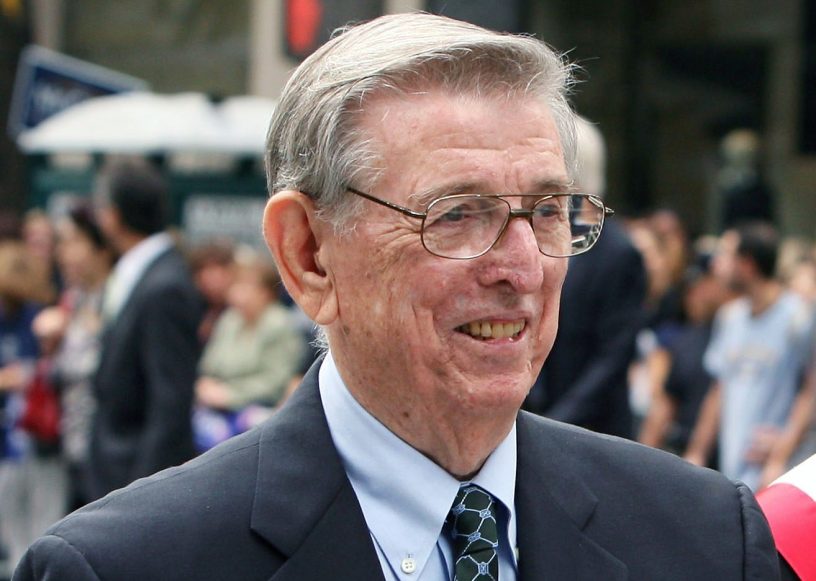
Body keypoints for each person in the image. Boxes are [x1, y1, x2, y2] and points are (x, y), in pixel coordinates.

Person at [15, 14, 778, 580]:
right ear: (309, 255)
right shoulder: (126, 565)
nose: (523, 266)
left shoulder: (707, 537)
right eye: (458, 213)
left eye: (548, 210)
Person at [85, 159, 203, 500]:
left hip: (132, 480)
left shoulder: (165, 285)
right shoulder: (143, 273)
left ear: (112, 215)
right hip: (113, 471)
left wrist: (139, 496)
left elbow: (170, 402)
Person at [524, 116, 647, 439]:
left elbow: (614, 355)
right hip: (533, 417)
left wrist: (560, 420)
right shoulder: (530, 236)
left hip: (592, 428)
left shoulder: (618, 252)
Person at [685, 223, 816, 491]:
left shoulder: (799, 317)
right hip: (733, 470)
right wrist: (697, 453)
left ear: (747, 264)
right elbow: (719, 388)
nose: (716, 265)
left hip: (777, 472)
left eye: (726, 255)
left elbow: (810, 389)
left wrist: (783, 450)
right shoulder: (730, 317)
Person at [32, 203, 115, 508]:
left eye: (74, 242)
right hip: (69, 446)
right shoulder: (73, 299)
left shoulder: (119, 299)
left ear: (102, 249)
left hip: (107, 454)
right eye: (62, 243)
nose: (63, 253)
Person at [194, 249, 304, 450]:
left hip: (260, 409)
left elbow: (276, 382)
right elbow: (210, 364)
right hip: (217, 407)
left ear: (266, 292)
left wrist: (229, 395)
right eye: (236, 285)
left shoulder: (279, 324)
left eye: (246, 287)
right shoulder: (230, 320)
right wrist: (206, 384)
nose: (238, 293)